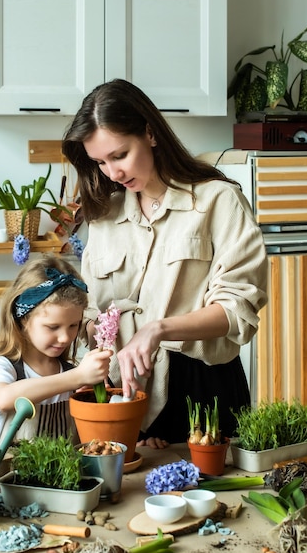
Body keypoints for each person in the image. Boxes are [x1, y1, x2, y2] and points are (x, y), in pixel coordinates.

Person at [61, 78, 268, 449]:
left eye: (120, 155)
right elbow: (90, 309)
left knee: (213, 503)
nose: (113, 173)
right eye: (99, 162)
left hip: (203, 389)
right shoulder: (104, 216)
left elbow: (238, 312)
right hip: (122, 390)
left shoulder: (218, 201)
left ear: (151, 133)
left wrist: (157, 329)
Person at [0, 254, 112, 451]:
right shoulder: (2, 365)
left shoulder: (71, 373)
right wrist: (77, 377)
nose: (65, 337)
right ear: (24, 319)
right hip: (10, 480)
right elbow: (4, 398)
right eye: (53, 327)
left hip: (65, 480)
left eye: (73, 325)